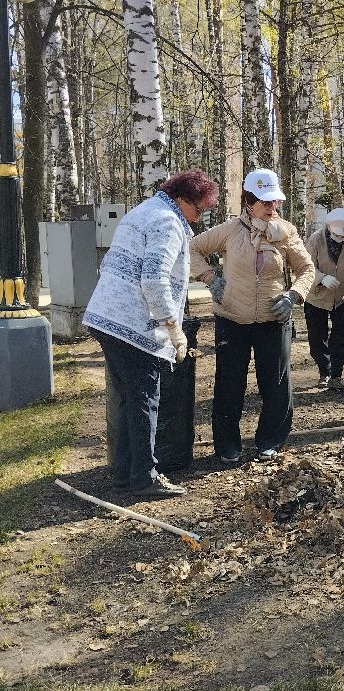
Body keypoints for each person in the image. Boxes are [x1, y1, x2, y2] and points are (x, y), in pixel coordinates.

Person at [83, 169, 220, 498]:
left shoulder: (143, 210)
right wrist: (174, 329)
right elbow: (154, 279)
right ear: (181, 199)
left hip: (106, 318)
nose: (199, 218)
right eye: (198, 209)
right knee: (145, 400)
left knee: (129, 400)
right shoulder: (168, 221)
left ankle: (124, 475)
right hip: (132, 325)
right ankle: (145, 478)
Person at [190, 169, 314, 464]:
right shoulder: (230, 230)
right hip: (232, 319)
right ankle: (227, 445)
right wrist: (210, 277)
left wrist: (294, 295)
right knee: (230, 383)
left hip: (274, 319)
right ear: (248, 200)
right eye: (266, 202)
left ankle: (270, 440)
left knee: (276, 383)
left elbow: (307, 269)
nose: (273, 208)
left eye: (275, 202)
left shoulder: (286, 232)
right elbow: (192, 248)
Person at [304, 206, 344, 391]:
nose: (341, 239)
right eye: (338, 235)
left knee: (341, 337)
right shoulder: (315, 240)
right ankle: (324, 371)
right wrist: (322, 278)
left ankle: (336, 375)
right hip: (316, 297)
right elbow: (305, 268)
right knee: (317, 338)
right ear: (329, 229)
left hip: (342, 296)